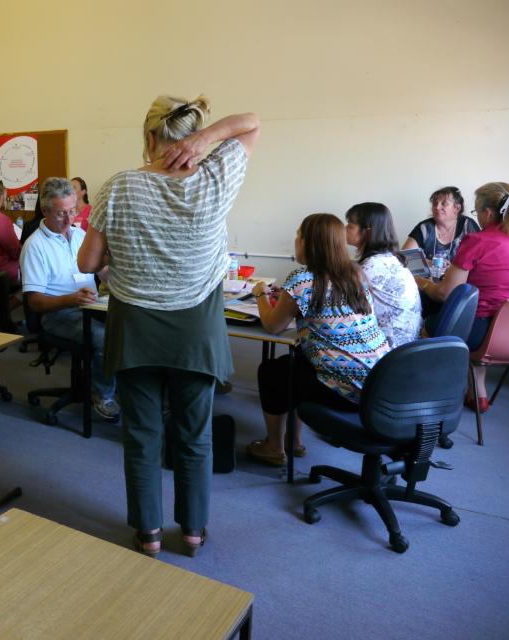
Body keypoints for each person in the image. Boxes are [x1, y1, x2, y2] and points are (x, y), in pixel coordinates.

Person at [78, 94, 259, 558]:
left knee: (141, 435)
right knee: (194, 435)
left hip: (135, 327)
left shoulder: (119, 186)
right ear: (193, 136)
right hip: (195, 331)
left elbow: (87, 263)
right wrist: (208, 139)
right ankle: (193, 531)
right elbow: (251, 123)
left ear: (149, 136)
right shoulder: (215, 178)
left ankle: (149, 534)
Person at [249, 214, 390, 467]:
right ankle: (294, 442)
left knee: (271, 372)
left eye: (298, 236)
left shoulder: (302, 279)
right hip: (379, 384)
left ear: (308, 243)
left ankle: (274, 448)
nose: (295, 241)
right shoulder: (354, 274)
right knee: (297, 364)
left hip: (345, 390)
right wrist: (288, 298)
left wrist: (260, 293)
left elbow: (272, 327)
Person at [416, 182, 509, 412]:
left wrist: (422, 282)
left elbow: (445, 293)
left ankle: (427, 396)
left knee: (430, 323)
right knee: (479, 317)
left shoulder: (479, 240)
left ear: (487, 212)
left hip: (485, 333)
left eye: (477, 211)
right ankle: (478, 393)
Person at [21, 176, 118, 421]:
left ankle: (114, 386)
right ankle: (102, 394)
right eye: (61, 213)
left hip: (89, 306)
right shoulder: (35, 246)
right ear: (45, 211)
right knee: (105, 338)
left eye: (73, 211)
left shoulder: (78, 234)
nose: (69, 219)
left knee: (127, 327)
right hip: (57, 314)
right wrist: (71, 299)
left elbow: (102, 272)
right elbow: (34, 302)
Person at [345, 202, 422, 348]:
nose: (345, 228)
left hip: (390, 350)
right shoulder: (388, 259)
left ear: (367, 232)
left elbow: (343, 308)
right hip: (407, 345)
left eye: (350, 225)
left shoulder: (371, 267)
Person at [402, 186, 481, 262]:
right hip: (429, 272)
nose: (437, 207)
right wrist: (430, 263)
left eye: (444, 204)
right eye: (435, 203)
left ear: (457, 208)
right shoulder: (424, 227)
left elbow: (479, 258)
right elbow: (405, 258)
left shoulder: (468, 225)